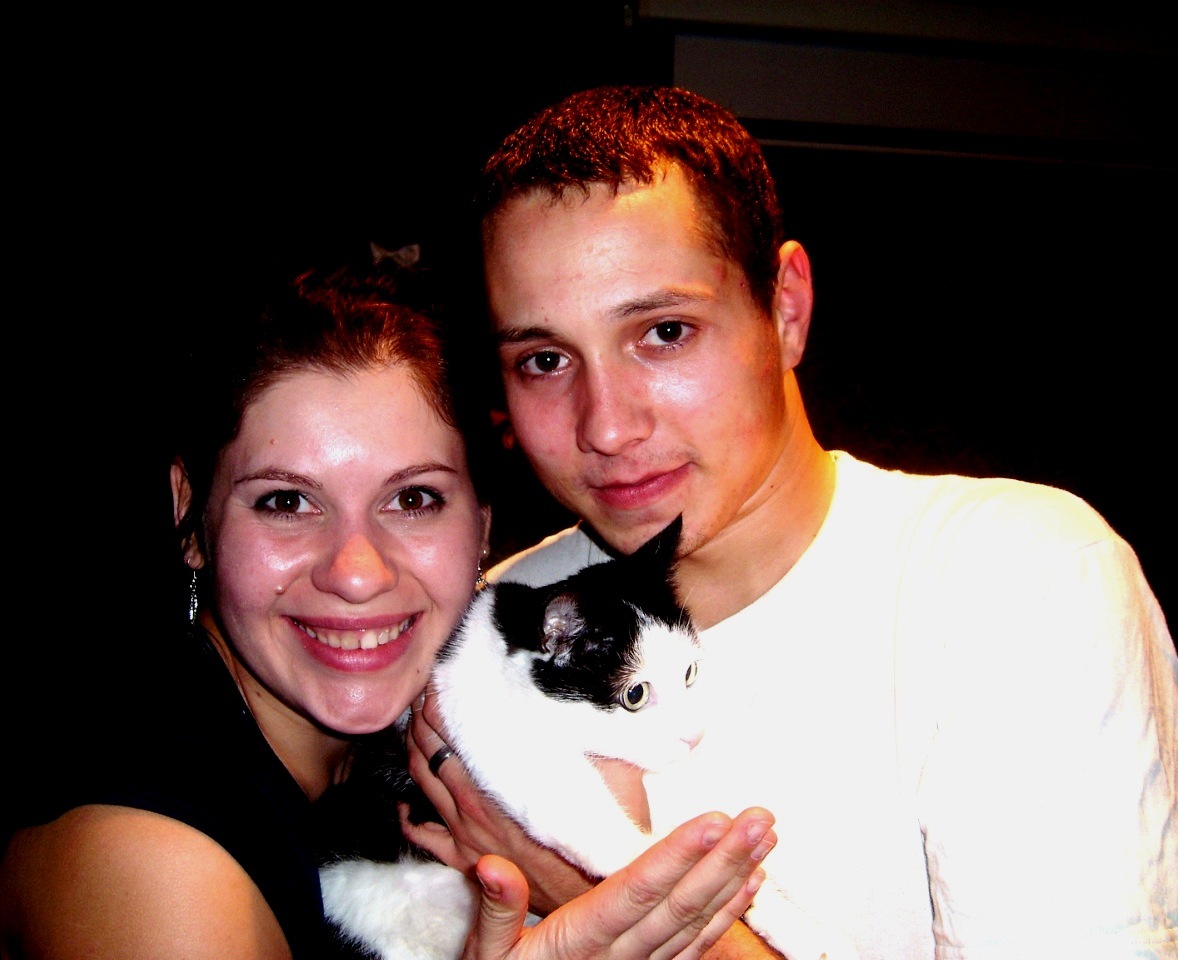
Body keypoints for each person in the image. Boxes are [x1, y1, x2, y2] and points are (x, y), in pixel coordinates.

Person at [401, 85, 1178, 959]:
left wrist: (604, 887)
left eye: (664, 331)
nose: (607, 427)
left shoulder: (1015, 579)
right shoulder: (489, 632)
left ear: (786, 309)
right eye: (545, 359)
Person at [0, 260, 776, 960]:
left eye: (413, 499)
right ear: (190, 514)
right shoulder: (154, 868)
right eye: (285, 501)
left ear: (480, 526)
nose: (356, 573)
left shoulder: (419, 765)